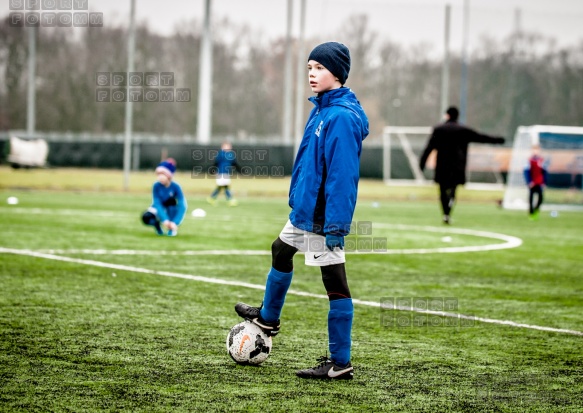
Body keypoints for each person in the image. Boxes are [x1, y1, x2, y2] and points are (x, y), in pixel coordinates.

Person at [234, 41, 369, 380]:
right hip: (307, 209)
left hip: (323, 215)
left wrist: (336, 225)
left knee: (335, 283)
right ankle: (268, 317)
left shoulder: (340, 117)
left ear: (336, 73)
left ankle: (340, 362)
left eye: (319, 68)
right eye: (309, 67)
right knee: (281, 249)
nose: (311, 74)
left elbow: (342, 177)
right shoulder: (322, 110)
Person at [419, 106, 505, 224]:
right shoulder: (463, 130)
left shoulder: (439, 130)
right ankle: (450, 205)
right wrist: (498, 140)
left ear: (447, 115)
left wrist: (422, 163)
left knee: (443, 190)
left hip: (443, 165)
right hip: (457, 166)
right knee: (453, 188)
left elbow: (428, 148)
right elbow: (481, 137)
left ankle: (445, 213)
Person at [141, 158, 187, 236]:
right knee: (146, 217)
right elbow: (157, 203)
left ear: (169, 175)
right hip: (160, 209)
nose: (160, 177)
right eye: (158, 174)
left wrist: (175, 222)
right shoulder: (156, 186)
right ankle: (158, 226)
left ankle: (171, 229)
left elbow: (182, 205)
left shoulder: (176, 187)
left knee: (172, 202)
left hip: (170, 210)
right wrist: (164, 220)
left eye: (163, 174)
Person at [207, 141, 239, 206]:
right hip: (221, 172)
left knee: (221, 186)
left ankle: (212, 198)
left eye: (229, 146)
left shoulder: (231, 154)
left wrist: (240, 170)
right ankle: (230, 199)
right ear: (223, 147)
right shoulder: (221, 154)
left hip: (227, 173)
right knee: (225, 186)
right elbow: (216, 163)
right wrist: (212, 170)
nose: (228, 147)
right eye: (226, 146)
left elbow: (234, 163)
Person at [523, 144, 548, 220]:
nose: (536, 152)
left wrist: (544, 182)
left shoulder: (541, 160)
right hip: (532, 183)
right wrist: (529, 182)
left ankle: (536, 210)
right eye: (534, 150)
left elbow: (545, 172)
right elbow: (526, 172)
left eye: (537, 150)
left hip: (539, 182)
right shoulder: (529, 160)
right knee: (531, 197)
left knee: (540, 198)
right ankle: (531, 213)